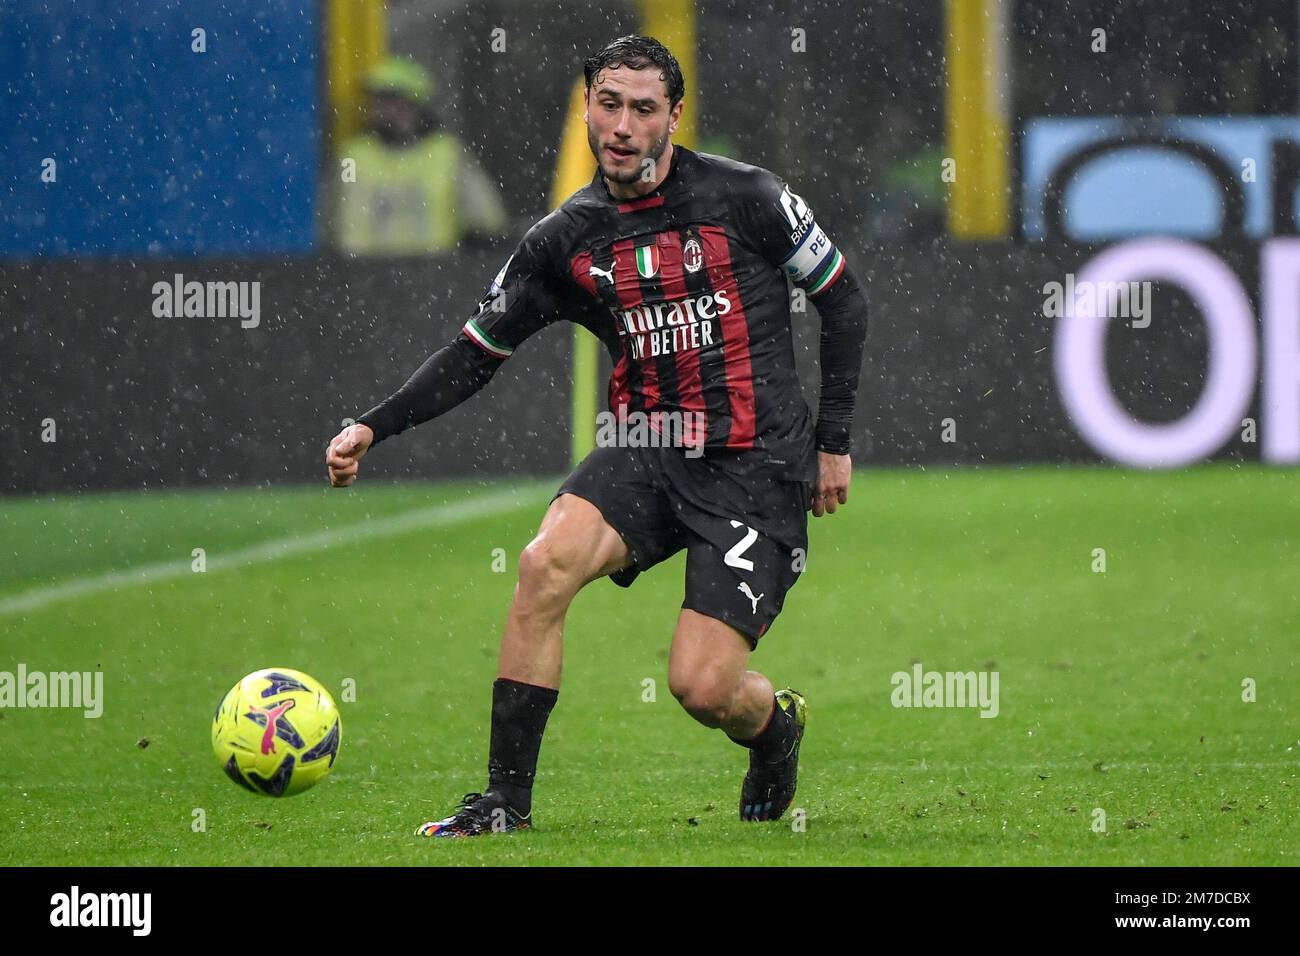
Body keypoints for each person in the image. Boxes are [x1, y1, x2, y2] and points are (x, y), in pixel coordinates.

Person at [325, 35, 868, 837]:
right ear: (587, 108)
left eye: (642, 108)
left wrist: (833, 441)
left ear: (673, 118)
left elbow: (844, 301)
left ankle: (774, 725)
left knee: (703, 689)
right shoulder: (564, 239)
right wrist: (374, 423)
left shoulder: (748, 197)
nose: (621, 125)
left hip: (756, 467)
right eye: (607, 104)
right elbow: (476, 354)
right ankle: (504, 802)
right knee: (544, 564)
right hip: (647, 448)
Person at [332, 57, 507, 255]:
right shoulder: (353, 156)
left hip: (432, 275)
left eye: (395, 101)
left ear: (415, 105)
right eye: (379, 100)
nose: (386, 110)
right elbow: (328, 221)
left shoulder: (446, 154)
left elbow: (487, 220)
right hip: (360, 277)